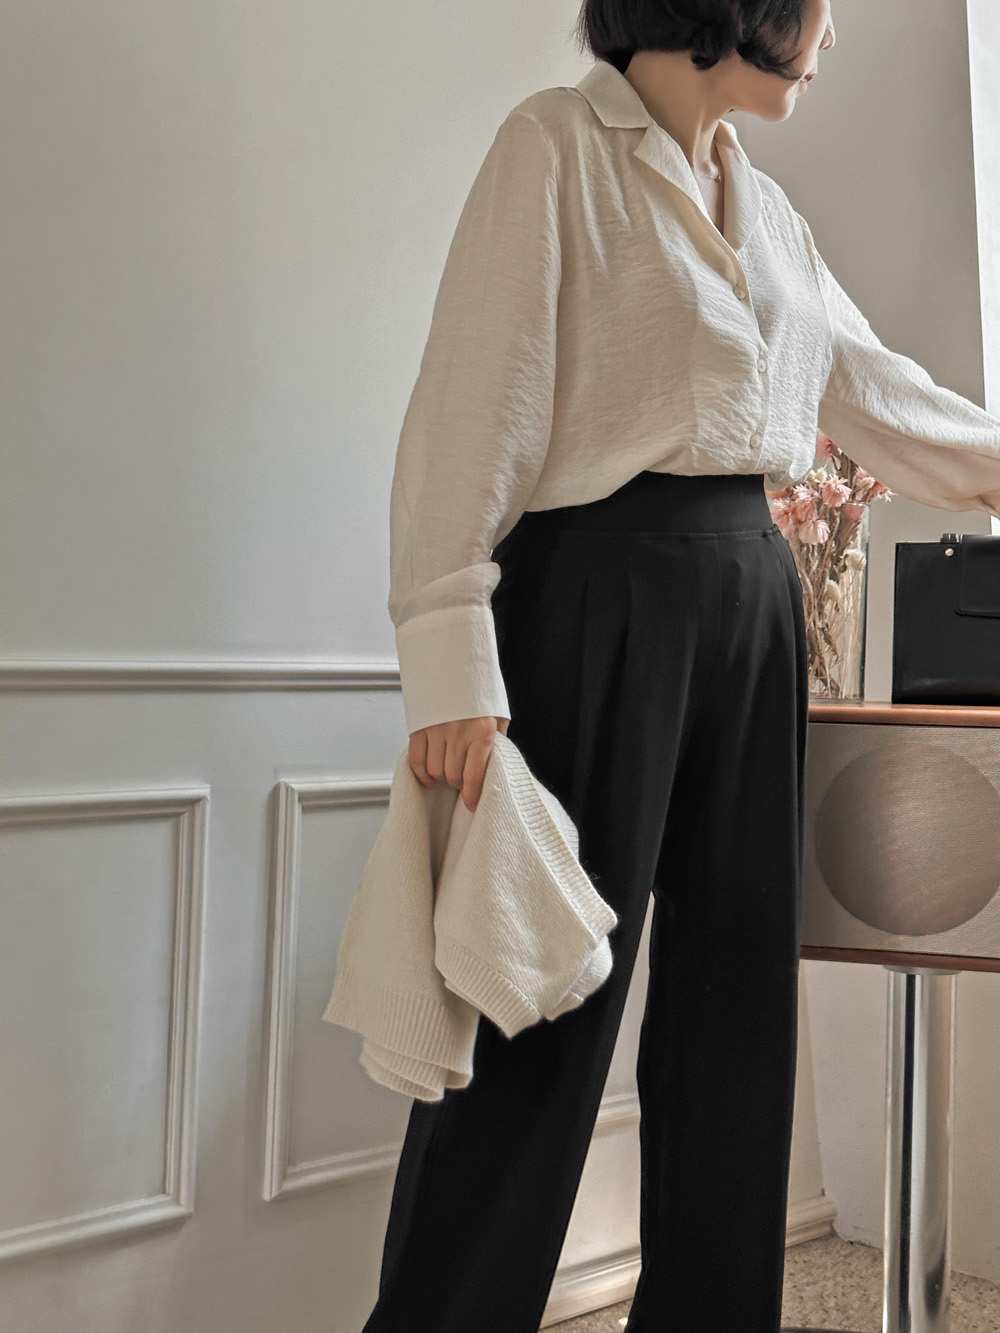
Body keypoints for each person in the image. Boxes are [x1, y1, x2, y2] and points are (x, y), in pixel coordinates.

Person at [361, 1, 1000, 1329]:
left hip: (753, 603)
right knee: (537, 1004)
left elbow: (874, 390)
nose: (831, 35)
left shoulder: (770, 215)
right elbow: (467, 414)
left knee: (735, 1013)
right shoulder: (554, 149)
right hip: (592, 599)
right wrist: (450, 661)